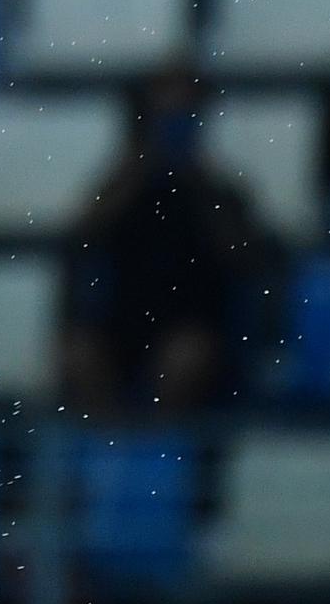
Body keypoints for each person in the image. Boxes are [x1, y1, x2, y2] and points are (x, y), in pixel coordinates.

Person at [60, 71, 278, 413]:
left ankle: (162, 458)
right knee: (80, 355)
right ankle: (104, 456)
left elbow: (245, 258)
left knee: (184, 360)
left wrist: (200, 184)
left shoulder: (221, 190)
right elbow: (82, 237)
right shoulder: (122, 184)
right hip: (123, 323)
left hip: (193, 324)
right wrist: (137, 172)